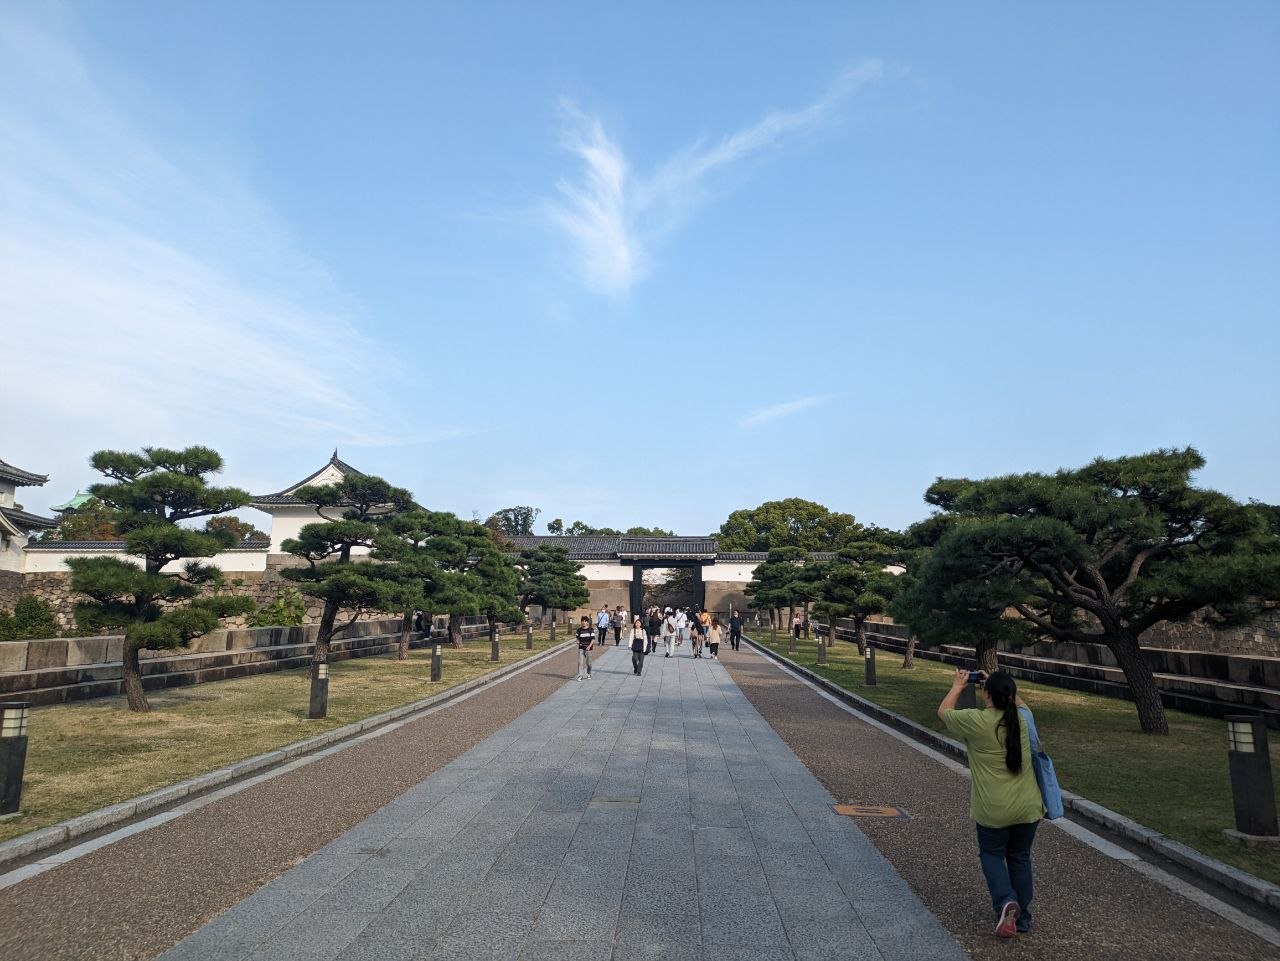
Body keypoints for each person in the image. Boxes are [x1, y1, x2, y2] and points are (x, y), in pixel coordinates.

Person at [938, 669, 1043, 938]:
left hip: (993, 808)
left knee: (992, 854)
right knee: (1020, 858)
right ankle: (1022, 918)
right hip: (1028, 807)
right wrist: (1002, 686)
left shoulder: (978, 721)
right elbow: (1022, 705)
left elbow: (944, 712)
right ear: (1011, 695)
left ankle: (1006, 900)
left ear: (986, 695)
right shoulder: (1022, 719)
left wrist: (958, 685)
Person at [576, 616, 596, 681]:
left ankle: (589, 673)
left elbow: (593, 639)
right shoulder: (579, 630)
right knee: (580, 662)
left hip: (588, 648)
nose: (583, 623)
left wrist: (589, 646)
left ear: (587, 622)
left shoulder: (591, 630)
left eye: (585, 621)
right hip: (581, 648)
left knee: (588, 663)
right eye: (582, 621)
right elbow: (578, 638)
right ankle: (580, 675)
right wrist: (578, 641)